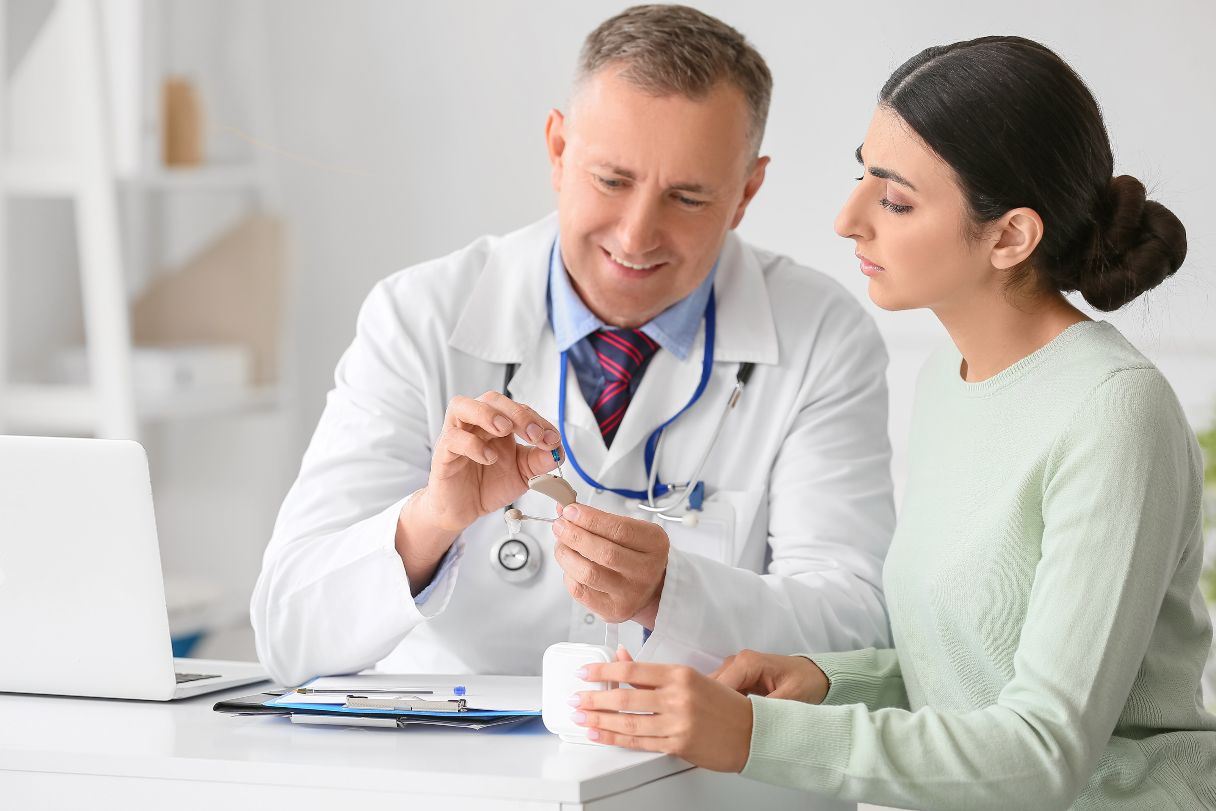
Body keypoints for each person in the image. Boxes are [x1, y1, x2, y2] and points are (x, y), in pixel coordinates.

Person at [573, 35, 1216, 809]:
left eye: (897, 199)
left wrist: (753, 734)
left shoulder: (1113, 410)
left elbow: (1045, 751)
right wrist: (830, 681)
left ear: (1010, 235)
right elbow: (972, 670)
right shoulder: (945, 380)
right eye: (861, 174)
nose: (849, 218)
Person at [251, 5, 896, 687]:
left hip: (697, 784)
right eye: (612, 181)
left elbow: (856, 625)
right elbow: (289, 634)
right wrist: (434, 520)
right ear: (559, 151)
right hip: (464, 779)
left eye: (687, 197)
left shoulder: (823, 335)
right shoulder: (418, 318)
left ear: (746, 193)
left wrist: (673, 594)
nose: (637, 234)